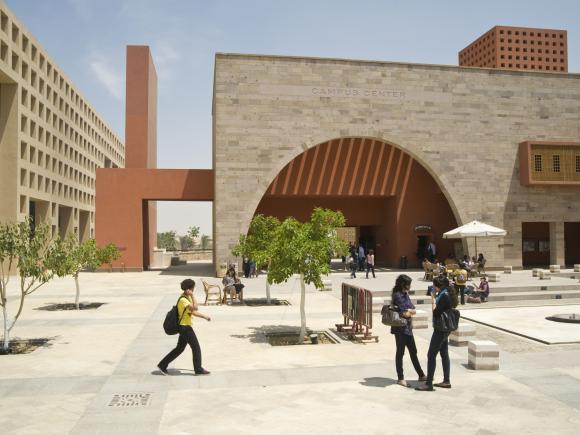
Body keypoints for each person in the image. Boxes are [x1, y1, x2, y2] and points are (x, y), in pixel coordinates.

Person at [158, 279, 211, 376]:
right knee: (196, 347)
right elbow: (195, 308)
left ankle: (162, 365)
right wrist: (192, 295)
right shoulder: (183, 300)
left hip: (185, 327)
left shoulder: (186, 298)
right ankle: (198, 369)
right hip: (185, 327)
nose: (194, 289)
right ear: (188, 289)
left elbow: (192, 312)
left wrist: (204, 317)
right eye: (193, 288)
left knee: (179, 349)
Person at [416, 275, 458, 391]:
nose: (433, 287)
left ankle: (428, 383)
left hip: (440, 329)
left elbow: (436, 312)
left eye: (434, 285)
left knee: (431, 354)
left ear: (439, 286)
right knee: (444, 353)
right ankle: (446, 381)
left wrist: (433, 299)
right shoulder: (448, 293)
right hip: (446, 329)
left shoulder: (443, 295)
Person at [391, 274, 426, 387]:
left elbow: (411, 309)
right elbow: (405, 312)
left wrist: (409, 312)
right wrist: (409, 312)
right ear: (403, 284)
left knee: (413, 351)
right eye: (408, 284)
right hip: (400, 329)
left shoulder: (405, 294)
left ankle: (421, 375)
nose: (410, 286)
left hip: (408, 329)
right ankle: (400, 378)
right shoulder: (397, 295)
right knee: (400, 353)